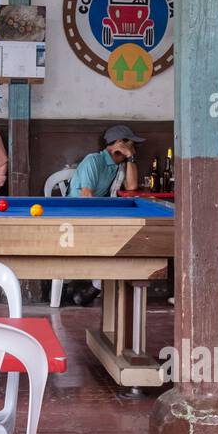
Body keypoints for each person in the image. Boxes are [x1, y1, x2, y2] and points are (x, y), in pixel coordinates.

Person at [67, 125, 144, 305]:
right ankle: (97, 286)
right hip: (77, 216)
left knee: (127, 236)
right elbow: (86, 197)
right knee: (117, 237)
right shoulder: (94, 160)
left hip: (97, 213)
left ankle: (97, 287)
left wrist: (130, 157)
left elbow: (131, 187)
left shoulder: (119, 165)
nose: (135, 148)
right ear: (118, 143)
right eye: (132, 144)